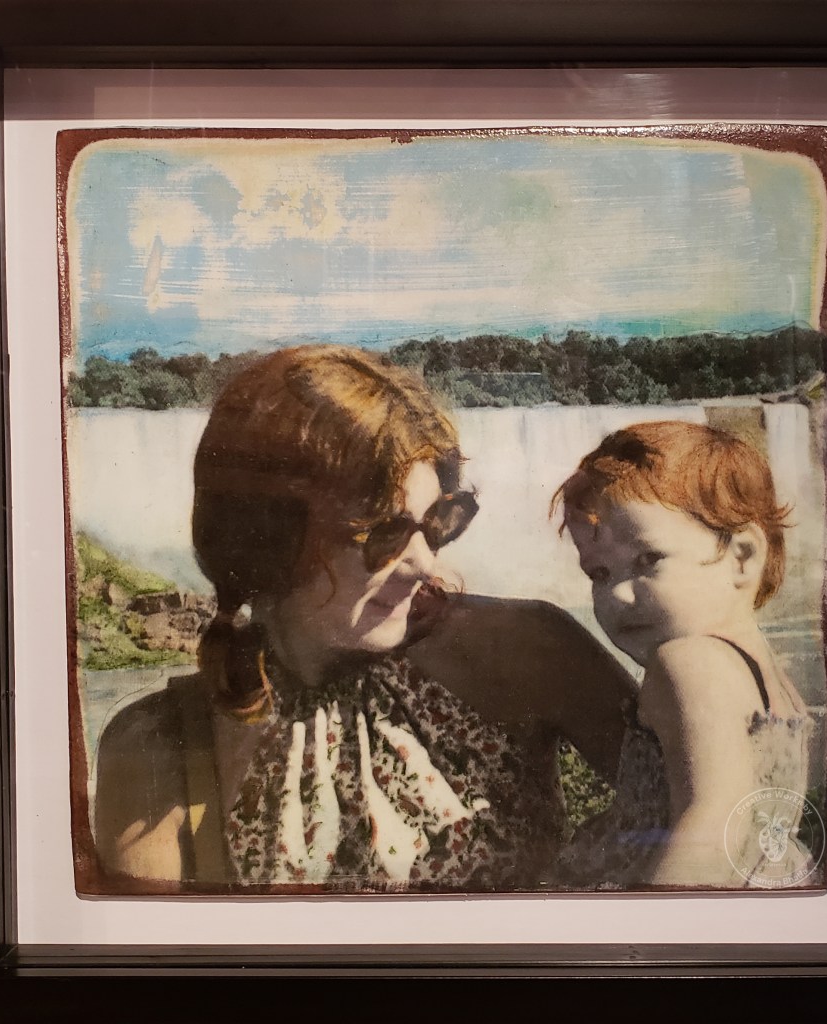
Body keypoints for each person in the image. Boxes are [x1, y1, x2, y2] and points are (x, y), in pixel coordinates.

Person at [92, 345, 637, 893]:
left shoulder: (525, 652)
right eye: (383, 534)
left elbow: (682, 814)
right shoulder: (160, 745)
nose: (424, 564)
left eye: (437, 522)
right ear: (272, 542)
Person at [554, 420, 814, 888]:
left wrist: (657, 925)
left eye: (648, 560)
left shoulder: (687, 662)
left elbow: (710, 824)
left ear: (742, 556)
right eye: (599, 574)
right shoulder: (766, 677)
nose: (619, 595)